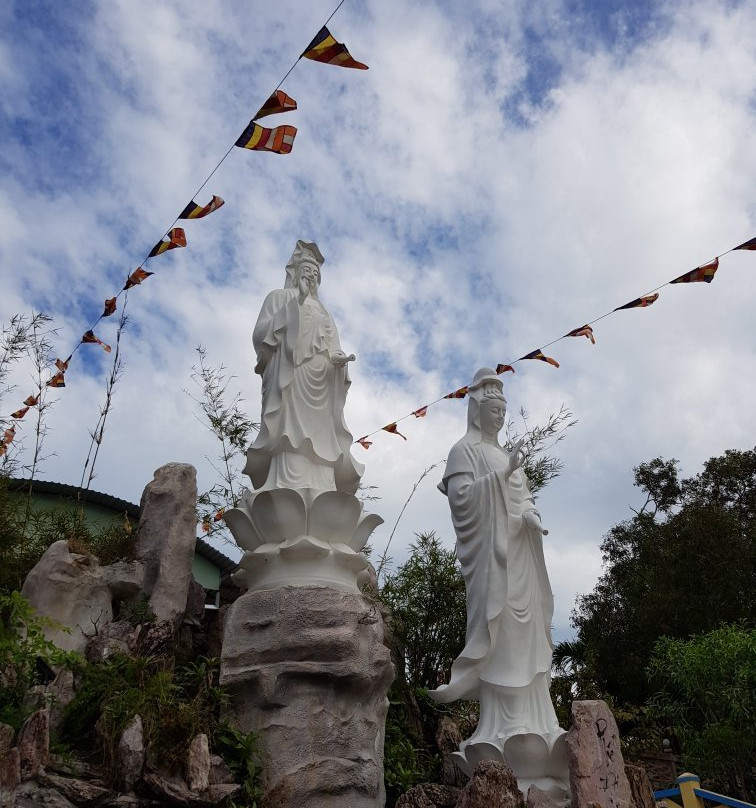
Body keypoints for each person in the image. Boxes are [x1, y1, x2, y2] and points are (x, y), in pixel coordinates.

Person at [430, 367, 564, 772]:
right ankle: (498, 731)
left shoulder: (508, 457)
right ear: (476, 409)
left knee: (529, 637)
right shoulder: (463, 452)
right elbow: (462, 503)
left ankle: (541, 724)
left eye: (503, 412)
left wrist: (531, 517)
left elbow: (523, 500)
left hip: (521, 555)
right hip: (493, 563)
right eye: (493, 410)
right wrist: (501, 477)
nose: (500, 418)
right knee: (500, 636)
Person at [244, 240, 363, 494]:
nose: (311, 276)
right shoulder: (278, 297)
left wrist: (338, 360)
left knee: (322, 435)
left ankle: (325, 487)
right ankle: (286, 484)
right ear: (295, 273)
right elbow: (260, 336)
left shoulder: (323, 310)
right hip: (291, 374)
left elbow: (333, 345)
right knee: (290, 432)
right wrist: (294, 304)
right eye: (306, 270)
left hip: (320, 379)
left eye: (315, 273)